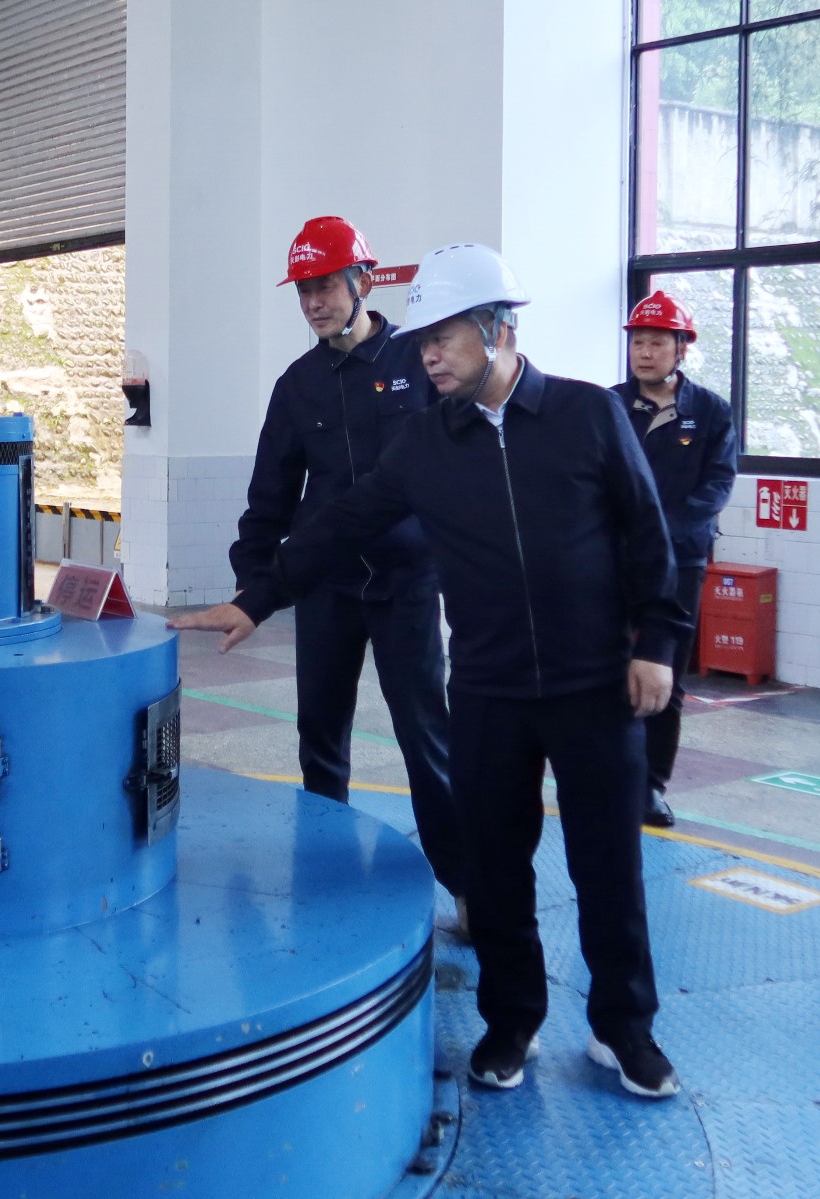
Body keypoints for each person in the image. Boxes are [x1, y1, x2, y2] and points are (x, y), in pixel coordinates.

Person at [171, 244, 687, 1100]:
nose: (428, 356)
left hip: (595, 685)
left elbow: (647, 534)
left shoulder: (588, 415)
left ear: (497, 328)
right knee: (497, 863)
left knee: (608, 863)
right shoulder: (425, 442)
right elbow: (342, 520)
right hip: (488, 688)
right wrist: (259, 596)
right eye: (422, 342)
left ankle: (623, 1028)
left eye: (443, 338)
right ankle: (511, 1020)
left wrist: (657, 644)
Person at [231, 216, 466, 921]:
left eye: (326, 286)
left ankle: (465, 886)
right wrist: (253, 586)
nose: (313, 303)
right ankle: (324, 873)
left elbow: (463, 468)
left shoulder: (417, 364)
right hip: (327, 587)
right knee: (320, 739)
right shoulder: (297, 385)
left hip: (407, 585)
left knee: (427, 739)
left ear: (363, 281)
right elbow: (270, 496)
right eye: (303, 291)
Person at [615, 291, 737, 828]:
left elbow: (717, 485)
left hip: (679, 563)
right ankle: (608, 774)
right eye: (638, 342)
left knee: (664, 671)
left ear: (681, 348)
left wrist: (662, 536)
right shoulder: (608, 406)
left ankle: (650, 785)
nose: (644, 353)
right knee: (606, 666)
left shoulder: (710, 412)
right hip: (612, 561)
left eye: (656, 343)